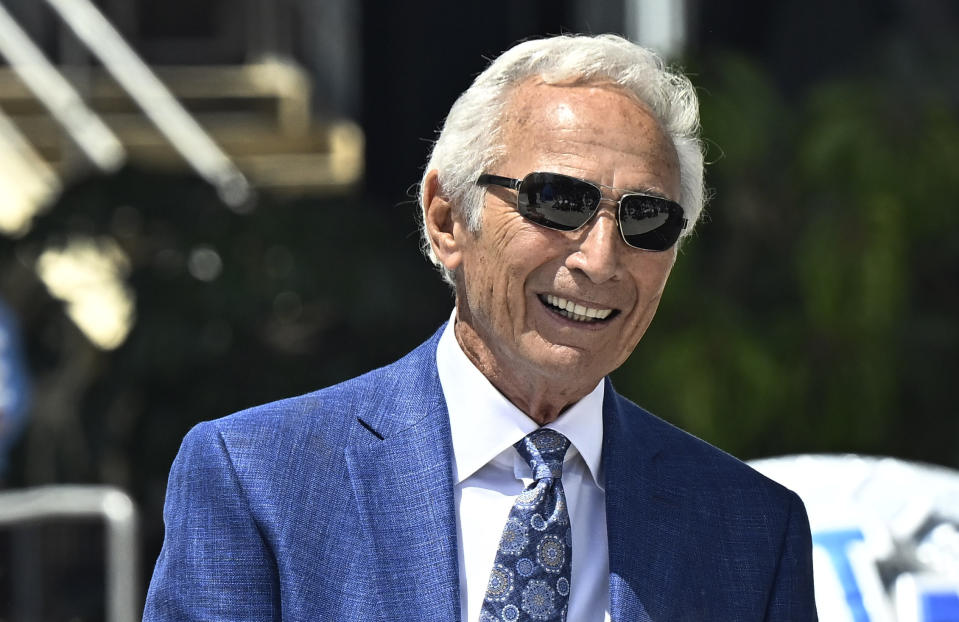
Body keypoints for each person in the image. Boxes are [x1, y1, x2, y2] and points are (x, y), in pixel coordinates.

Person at [144, 34, 817, 621]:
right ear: (445, 218)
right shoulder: (259, 480)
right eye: (558, 202)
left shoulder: (749, 529)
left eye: (645, 220)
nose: (600, 259)